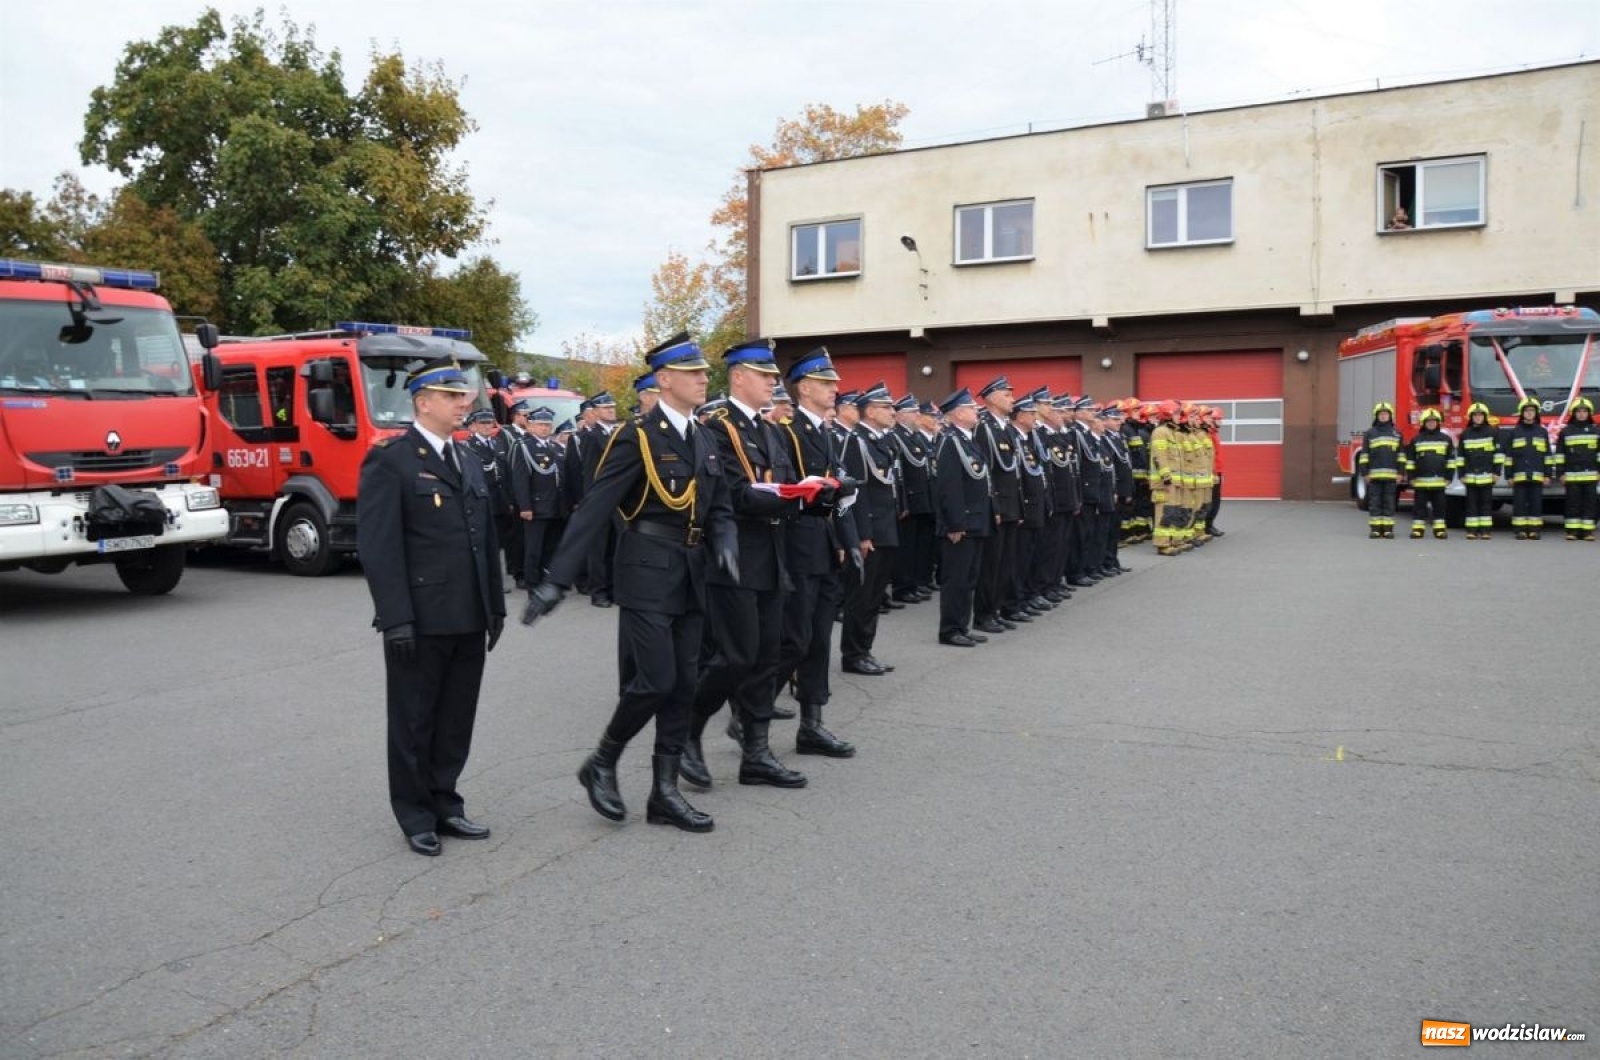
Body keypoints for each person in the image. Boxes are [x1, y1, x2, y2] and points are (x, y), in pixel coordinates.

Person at [521, 333, 737, 833]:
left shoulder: (705, 437)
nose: (705, 378)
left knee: (683, 684)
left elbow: (720, 503)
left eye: (705, 371)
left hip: (693, 572)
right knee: (657, 680)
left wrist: (725, 542)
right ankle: (601, 761)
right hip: (645, 571)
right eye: (694, 372)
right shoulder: (636, 436)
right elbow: (594, 508)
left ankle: (663, 794)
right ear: (664, 380)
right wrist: (555, 580)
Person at [357, 356, 506, 857]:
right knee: (413, 719)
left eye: (463, 395)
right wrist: (395, 616)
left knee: (455, 717)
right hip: (420, 618)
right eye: (452, 395)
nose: (464, 403)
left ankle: (446, 802)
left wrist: (495, 607)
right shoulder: (392, 460)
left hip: (468, 613)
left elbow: (484, 539)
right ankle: (415, 813)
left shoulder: (465, 458)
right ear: (424, 402)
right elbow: (380, 548)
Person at [688, 338, 819, 789]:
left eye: (773, 377)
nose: (773, 384)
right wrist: (784, 496)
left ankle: (757, 753)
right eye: (765, 377)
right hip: (734, 556)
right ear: (739, 377)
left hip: (772, 555)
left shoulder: (771, 431)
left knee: (768, 654)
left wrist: (818, 497)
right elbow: (726, 493)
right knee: (735, 655)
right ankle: (687, 728)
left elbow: (781, 486)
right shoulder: (715, 426)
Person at [770, 346, 861, 760]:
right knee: (794, 639)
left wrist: (846, 540)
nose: (836, 389)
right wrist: (831, 492)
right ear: (805, 388)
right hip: (797, 546)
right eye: (827, 383)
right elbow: (788, 493)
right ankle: (749, 708)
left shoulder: (824, 432)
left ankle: (812, 724)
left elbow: (834, 493)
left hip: (822, 545)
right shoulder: (786, 433)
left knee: (819, 639)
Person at [841, 382, 901, 675]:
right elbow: (856, 493)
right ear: (871, 411)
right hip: (870, 530)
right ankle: (853, 654)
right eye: (887, 407)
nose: (893, 412)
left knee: (875, 595)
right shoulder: (857, 442)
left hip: (886, 527)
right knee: (861, 596)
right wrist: (862, 534)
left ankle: (865, 649)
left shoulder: (882, 441)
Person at [933, 388, 993, 646]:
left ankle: (962, 625)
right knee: (956, 579)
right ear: (956, 414)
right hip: (962, 523)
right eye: (970, 407)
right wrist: (955, 523)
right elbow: (949, 486)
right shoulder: (950, 441)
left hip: (977, 519)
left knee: (969, 577)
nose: (975, 410)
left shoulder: (967, 439)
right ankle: (950, 630)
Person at [889, 394, 935, 605]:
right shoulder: (897, 436)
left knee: (921, 545)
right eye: (913, 412)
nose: (919, 415)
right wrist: (903, 502)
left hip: (923, 498)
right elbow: (900, 474)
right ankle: (903, 586)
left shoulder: (914, 436)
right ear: (900, 416)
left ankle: (917, 581)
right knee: (907, 547)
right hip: (910, 499)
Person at [511, 406, 566, 581]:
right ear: (531, 427)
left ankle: (546, 579)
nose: (545, 428)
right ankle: (532, 582)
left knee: (551, 547)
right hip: (536, 506)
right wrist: (525, 506)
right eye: (541, 425)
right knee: (534, 548)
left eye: (548, 425)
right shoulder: (524, 447)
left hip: (555, 506)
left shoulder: (555, 447)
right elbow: (520, 479)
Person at [1501, 396, 1551, 540]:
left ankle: (1534, 530)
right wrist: (1509, 476)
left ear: (1536, 413)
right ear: (1521, 413)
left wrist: (1547, 474)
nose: (1529, 413)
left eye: (1532, 411)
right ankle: (1520, 530)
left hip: (1537, 475)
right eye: (1527, 411)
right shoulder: (1514, 432)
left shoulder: (1542, 432)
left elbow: (1547, 455)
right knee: (1519, 504)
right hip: (1519, 476)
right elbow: (1509, 456)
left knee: (1536, 503)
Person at [1404, 407, 1458, 539]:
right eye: (1428, 421)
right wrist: (1411, 477)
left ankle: (1439, 530)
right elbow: (1410, 460)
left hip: (1439, 481)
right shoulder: (1416, 440)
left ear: (1438, 423)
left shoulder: (1446, 439)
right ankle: (1418, 530)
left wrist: (1449, 477)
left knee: (1440, 507)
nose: (1431, 423)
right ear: (1423, 423)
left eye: (1434, 421)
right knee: (1419, 507)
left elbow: (1450, 461)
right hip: (1421, 481)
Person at [1357, 401, 1404, 538]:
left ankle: (1388, 529)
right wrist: (1365, 473)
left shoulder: (1397, 433)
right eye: (1381, 414)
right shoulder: (1370, 433)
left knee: (1389, 502)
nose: (1383, 416)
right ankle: (1375, 529)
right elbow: (1364, 455)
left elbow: (1401, 455)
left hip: (1391, 476)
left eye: (1386, 414)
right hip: (1374, 476)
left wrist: (1401, 473)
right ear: (1376, 416)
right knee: (1375, 502)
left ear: (1390, 416)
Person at [1553, 397, 1598, 540]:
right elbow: (1560, 454)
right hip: (1571, 475)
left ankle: (1587, 532)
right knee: (1573, 503)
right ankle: (1572, 531)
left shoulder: (1596, 430)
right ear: (1574, 413)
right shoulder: (1566, 431)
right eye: (1579, 411)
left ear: (1589, 413)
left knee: (1590, 503)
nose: (1582, 414)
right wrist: (1560, 473)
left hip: (1591, 475)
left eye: (1584, 411)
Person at [1457, 402, 1500, 539]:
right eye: (1475, 415)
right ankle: (1472, 531)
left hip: (1487, 476)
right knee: (1471, 505)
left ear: (1485, 416)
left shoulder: (1493, 432)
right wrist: (1461, 474)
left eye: (1480, 415)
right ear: (1471, 417)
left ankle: (1486, 531)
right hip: (1470, 476)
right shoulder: (1465, 433)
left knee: (1486, 504)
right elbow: (1460, 456)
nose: (1478, 417)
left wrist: (1497, 472)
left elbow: (1498, 455)